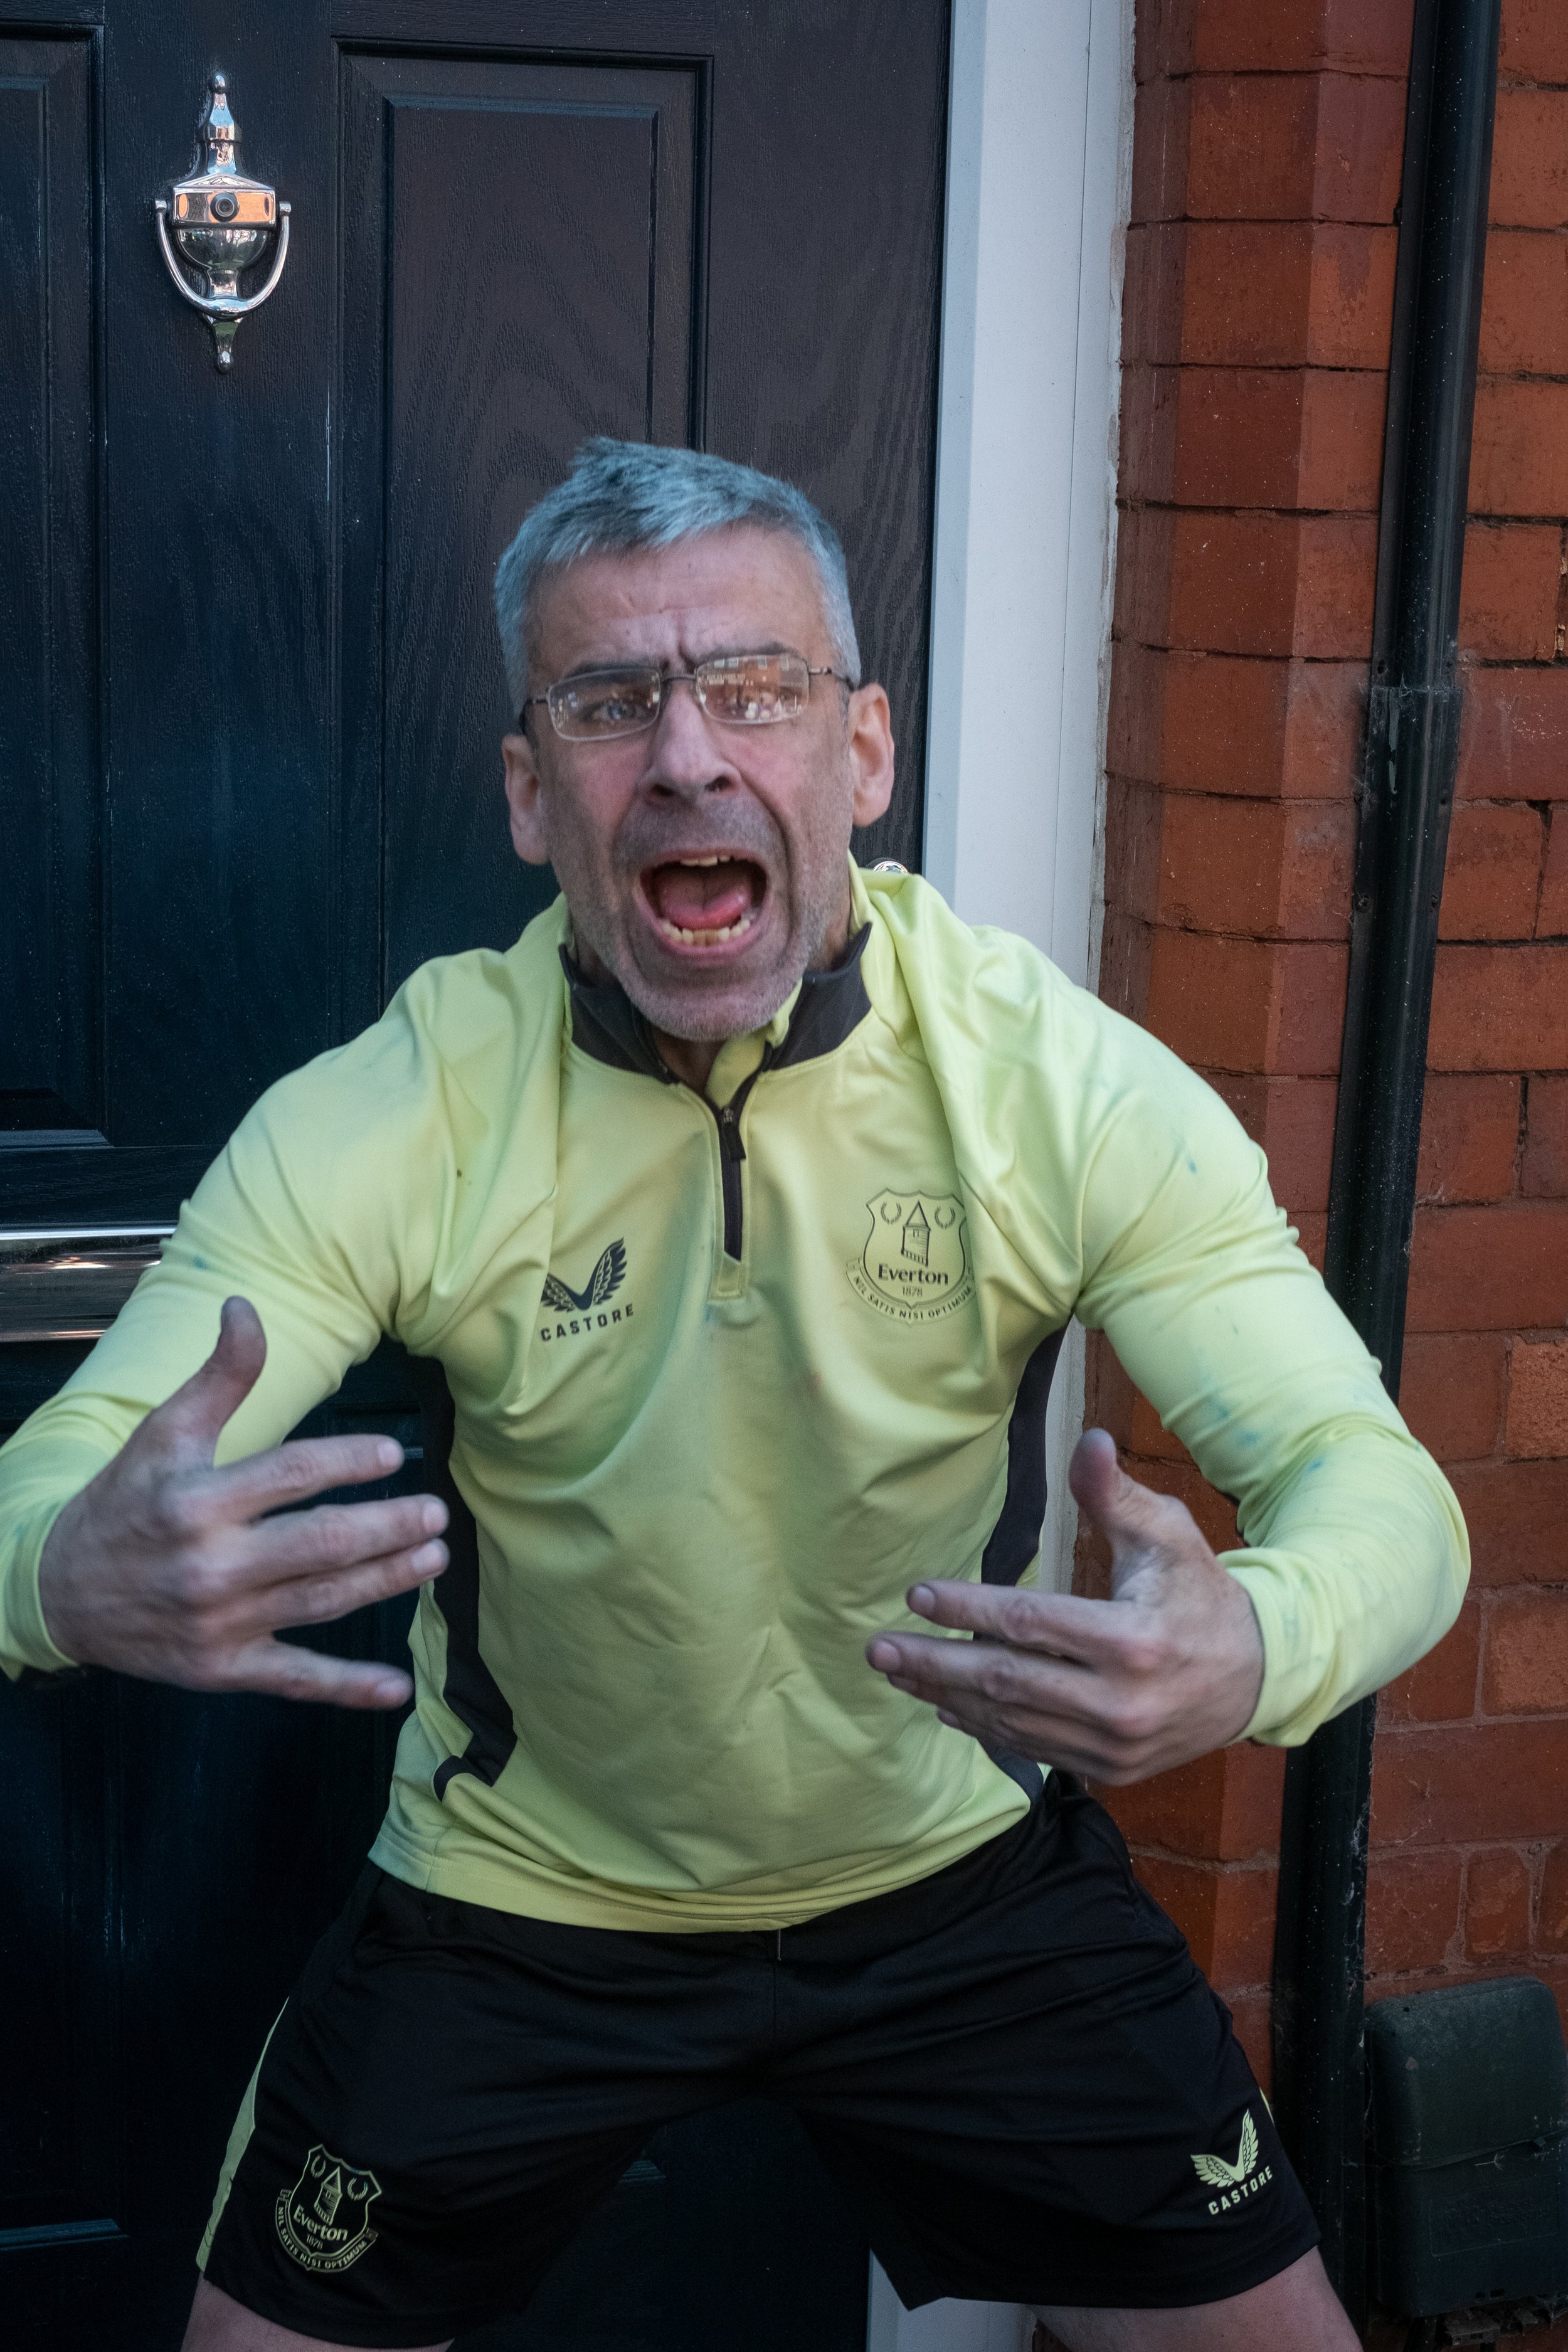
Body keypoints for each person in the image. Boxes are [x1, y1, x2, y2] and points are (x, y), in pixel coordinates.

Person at [0, 440, 1466, 2352]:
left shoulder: (1053, 1086)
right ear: (533, 797)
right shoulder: (409, 1103)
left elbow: (1386, 1495)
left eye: (754, 688)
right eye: (611, 701)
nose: (688, 755)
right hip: (521, 1899)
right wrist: (71, 1575)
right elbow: (57, 1483)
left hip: (954, 1879)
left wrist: (1248, 1646)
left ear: (860, 757)